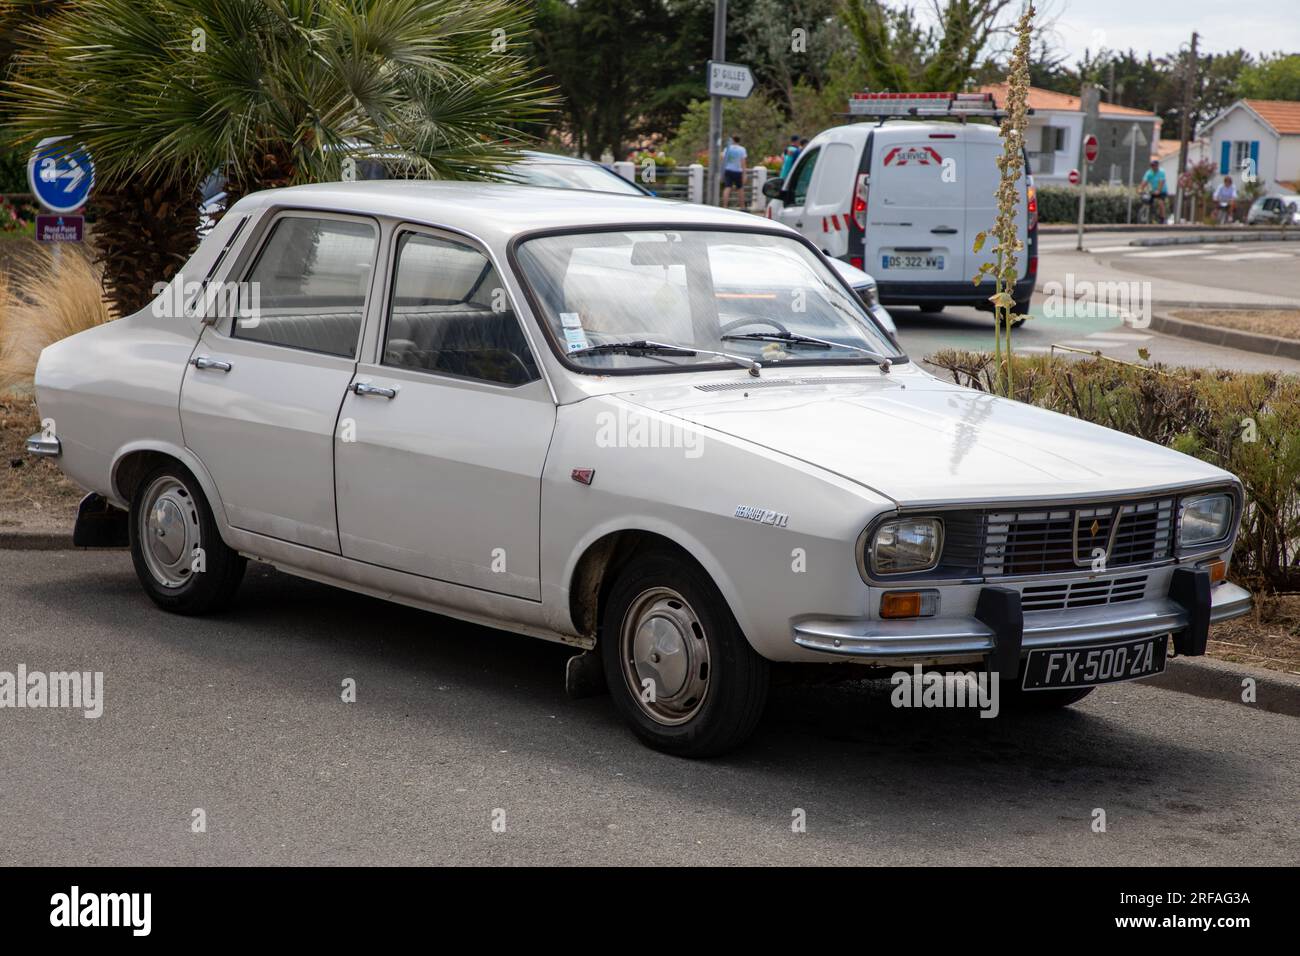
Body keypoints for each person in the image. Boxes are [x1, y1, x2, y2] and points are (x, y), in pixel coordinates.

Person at [721, 135, 747, 208]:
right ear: (739, 141)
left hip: (728, 170)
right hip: (738, 171)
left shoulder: (727, 148)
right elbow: (743, 162)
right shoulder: (742, 149)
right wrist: (744, 173)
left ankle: (725, 205)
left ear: (732, 140)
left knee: (727, 187)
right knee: (740, 188)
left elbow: (723, 159)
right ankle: (742, 206)